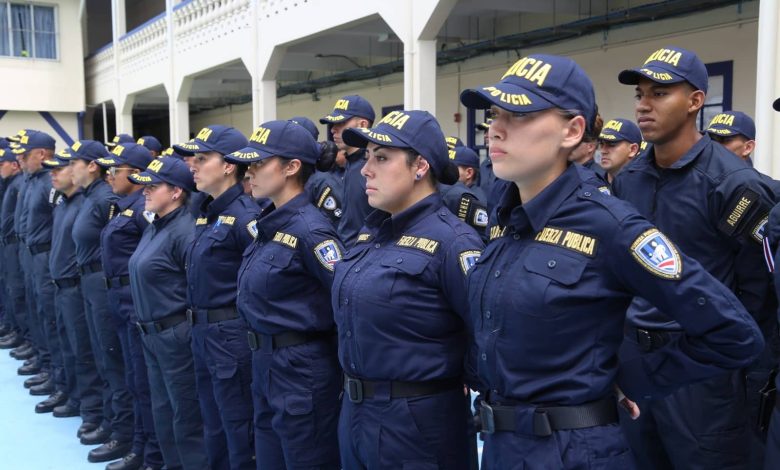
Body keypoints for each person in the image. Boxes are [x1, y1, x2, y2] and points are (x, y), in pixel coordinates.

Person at [459, 52, 766, 470]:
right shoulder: (507, 216)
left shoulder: (609, 223)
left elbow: (735, 330)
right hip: (504, 444)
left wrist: (635, 376)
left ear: (572, 131)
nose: (496, 128)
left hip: (575, 449)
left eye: (520, 115)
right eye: (495, 114)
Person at [613, 45, 777, 470]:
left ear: (695, 101)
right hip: (635, 358)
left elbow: (758, 292)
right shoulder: (629, 178)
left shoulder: (732, 185)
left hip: (702, 371)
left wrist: (740, 371)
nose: (644, 105)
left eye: (660, 93)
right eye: (640, 94)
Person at [335, 110, 484, 469]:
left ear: (420, 166)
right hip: (357, 412)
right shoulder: (373, 234)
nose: (365, 169)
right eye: (368, 157)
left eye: (382, 158)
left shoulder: (453, 242)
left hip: (416, 424)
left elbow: (487, 330)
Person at [225, 119, 343, 469]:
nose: (250, 172)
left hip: (301, 368)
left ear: (292, 167)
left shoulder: (312, 231)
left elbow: (344, 302)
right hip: (266, 362)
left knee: (305, 458)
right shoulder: (270, 223)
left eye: (260, 163)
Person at [177, 124, 257, 470]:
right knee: (213, 423)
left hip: (230, 335)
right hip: (203, 332)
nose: (192, 165)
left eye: (202, 157)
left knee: (239, 428)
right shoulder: (206, 212)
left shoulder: (246, 217)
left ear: (228, 165)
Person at [128, 156, 209, 470]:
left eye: (153, 185)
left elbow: (196, 285)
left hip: (175, 335)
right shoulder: (156, 225)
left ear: (177, 191)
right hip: (152, 335)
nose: (145, 190)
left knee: (186, 416)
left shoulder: (184, 232)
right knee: (163, 412)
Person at [64, 140, 133, 463]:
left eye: (74, 162)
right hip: (90, 282)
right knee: (101, 356)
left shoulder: (105, 199)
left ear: (92, 165)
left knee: (111, 358)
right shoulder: (92, 196)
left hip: (103, 283)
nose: (68, 168)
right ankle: (110, 419)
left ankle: (121, 430)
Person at [97, 143, 163, 470]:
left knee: (142, 381)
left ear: (136, 175)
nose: (109, 175)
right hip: (120, 300)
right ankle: (139, 442)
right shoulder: (122, 205)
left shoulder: (142, 208)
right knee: (132, 378)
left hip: (134, 301)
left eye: (116, 170)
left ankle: (148, 452)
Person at [42, 151, 104, 430]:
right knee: (67, 343)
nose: (55, 173)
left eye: (64, 167)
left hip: (78, 286)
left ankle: (91, 409)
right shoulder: (63, 202)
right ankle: (75, 395)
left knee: (84, 351)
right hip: (61, 284)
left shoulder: (86, 204)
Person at [15, 131, 67, 414]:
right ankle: (46, 362)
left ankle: (56, 374)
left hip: (47, 256)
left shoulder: (51, 182)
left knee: (51, 318)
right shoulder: (32, 180)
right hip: (31, 252)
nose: (20, 160)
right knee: (38, 311)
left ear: (43, 154)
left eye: (26, 155)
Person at [319, 95, 375, 246]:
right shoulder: (352, 163)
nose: (333, 130)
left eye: (341, 123)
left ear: (362, 124)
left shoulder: (369, 168)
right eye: (332, 124)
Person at [597, 118, 642, 184]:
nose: (603, 151)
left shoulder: (644, 187)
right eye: (601, 144)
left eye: (611, 144)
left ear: (633, 149)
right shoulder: (593, 183)